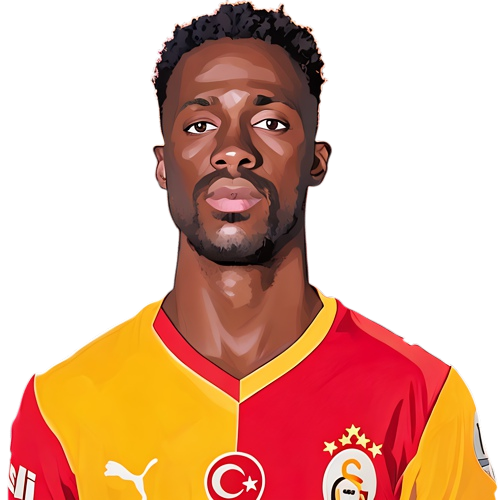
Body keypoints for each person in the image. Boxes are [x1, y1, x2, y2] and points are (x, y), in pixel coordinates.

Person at [7, 2, 497, 499]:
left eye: (270, 122)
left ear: (316, 161)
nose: (233, 150)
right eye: (200, 125)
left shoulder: (422, 397)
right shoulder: (60, 406)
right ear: (163, 165)